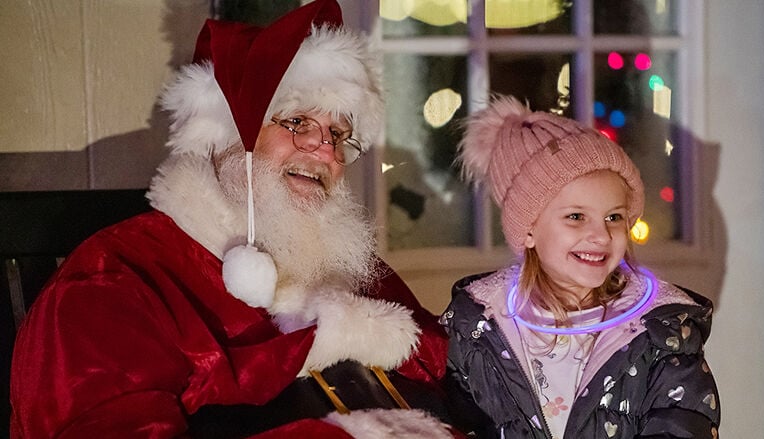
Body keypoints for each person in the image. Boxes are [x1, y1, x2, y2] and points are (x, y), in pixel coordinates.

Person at [10, 1, 457, 437]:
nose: (327, 151)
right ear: (227, 137)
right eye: (298, 121)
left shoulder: (346, 268)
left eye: (339, 134)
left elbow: (450, 369)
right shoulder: (113, 281)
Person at [442, 95, 720, 438]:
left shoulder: (661, 334)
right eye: (576, 216)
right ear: (528, 229)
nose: (600, 234)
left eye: (614, 217)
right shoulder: (477, 328)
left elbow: (683, 423)